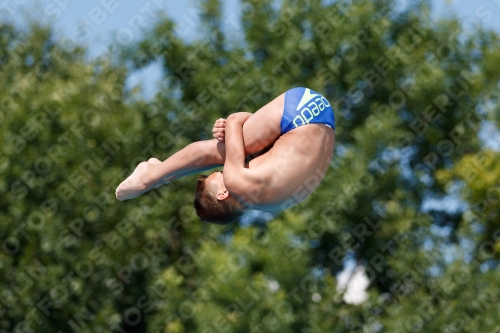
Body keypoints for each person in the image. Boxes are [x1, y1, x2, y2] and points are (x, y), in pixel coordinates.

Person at [115, 87, 336, 224]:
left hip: (325, 121)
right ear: (222, 194)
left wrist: (244, 129)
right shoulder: (236, 182)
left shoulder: (271, 204)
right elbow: (233, 120)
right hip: (302, 110)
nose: (224, 171)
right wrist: (234, 125)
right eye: (220, 175)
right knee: (213, 151)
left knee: (236, 150)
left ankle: (161, 172)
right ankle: (147, 179)